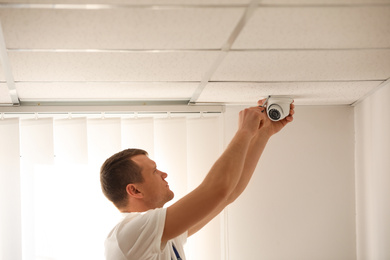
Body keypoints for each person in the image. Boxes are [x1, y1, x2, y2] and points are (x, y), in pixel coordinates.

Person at [100, 99, 295, 260]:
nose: (163, 174)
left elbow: (228, 194)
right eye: (154, 171)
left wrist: (263, 133)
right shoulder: (129, 233)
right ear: (134, 190)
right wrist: (244, 131)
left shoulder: (158, 236)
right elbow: (217, 190)